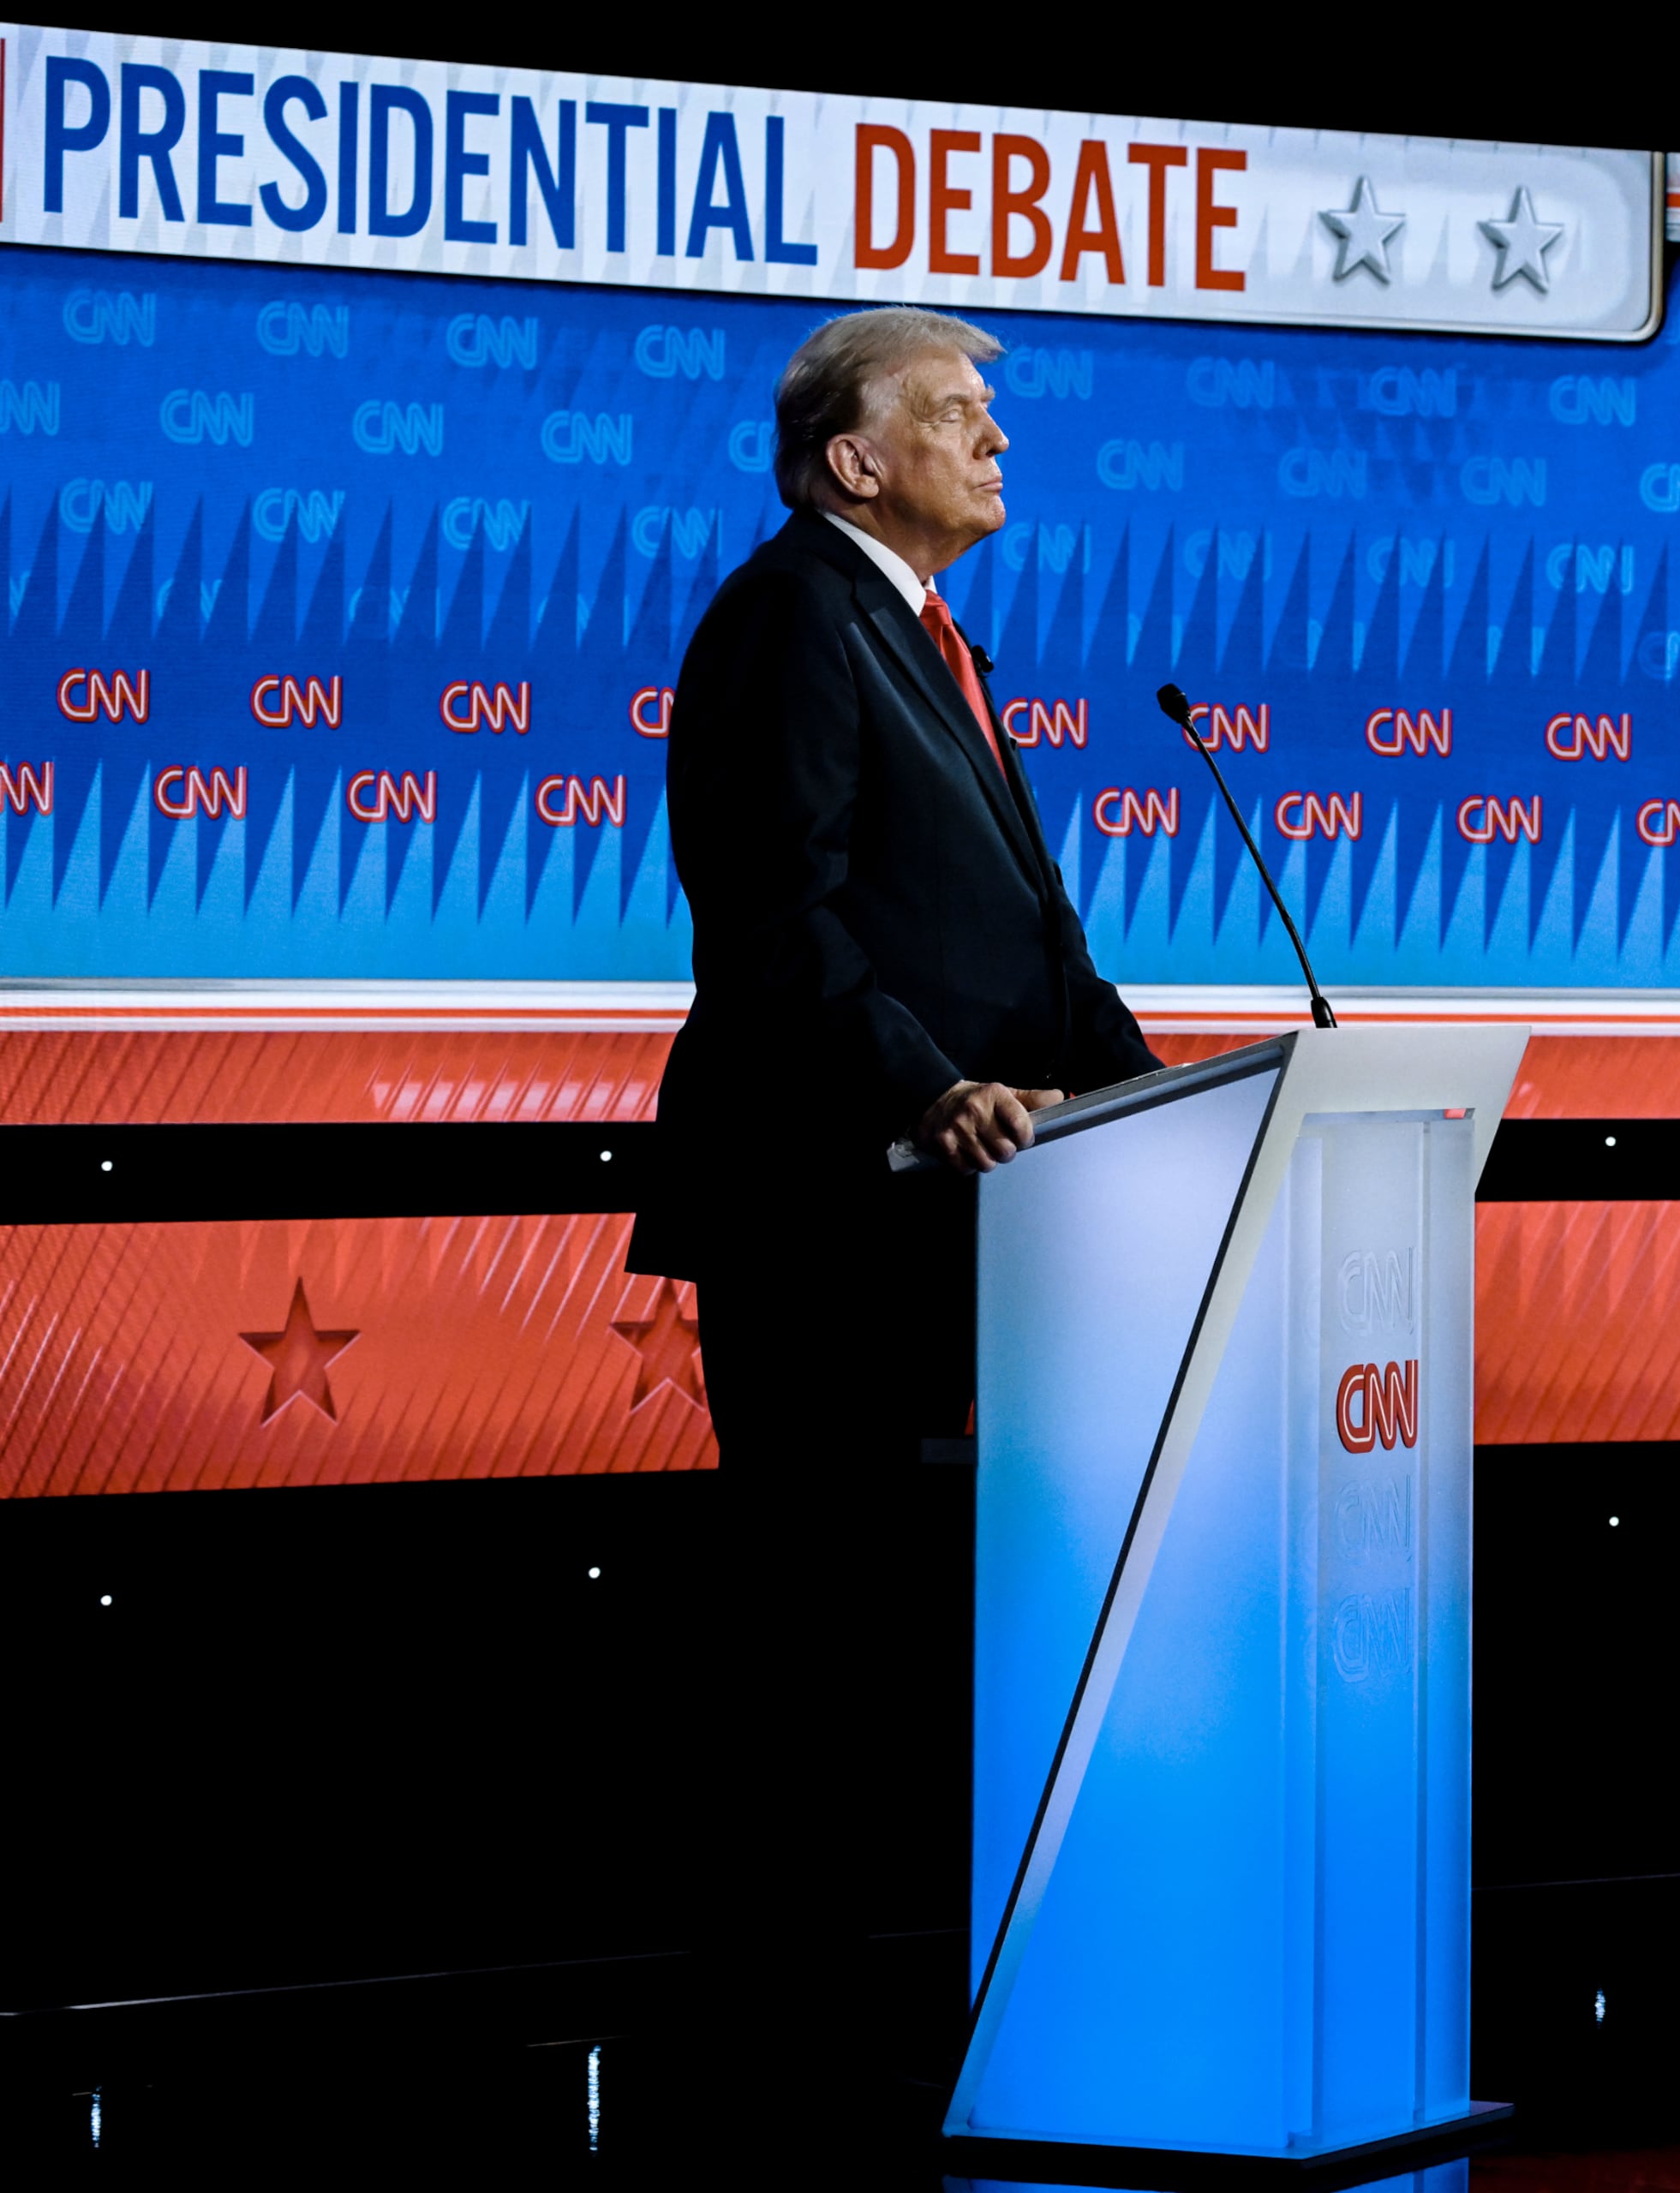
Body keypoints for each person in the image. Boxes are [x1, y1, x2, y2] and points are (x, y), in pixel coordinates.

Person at [629, 305, 1160, 2125]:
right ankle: (784, 2075)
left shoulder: (926, 634)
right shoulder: (797, 615)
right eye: (952, 411)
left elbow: (1038, 944)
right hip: (821, 1215)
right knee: (818, 1654)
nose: (993, 437)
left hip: (942, 1225)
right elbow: (780, 918)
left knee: (897, 1655)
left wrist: (1171, 1101)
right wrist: (927, 1082)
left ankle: (906, 2047)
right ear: (854, 459)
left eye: (990, 410)